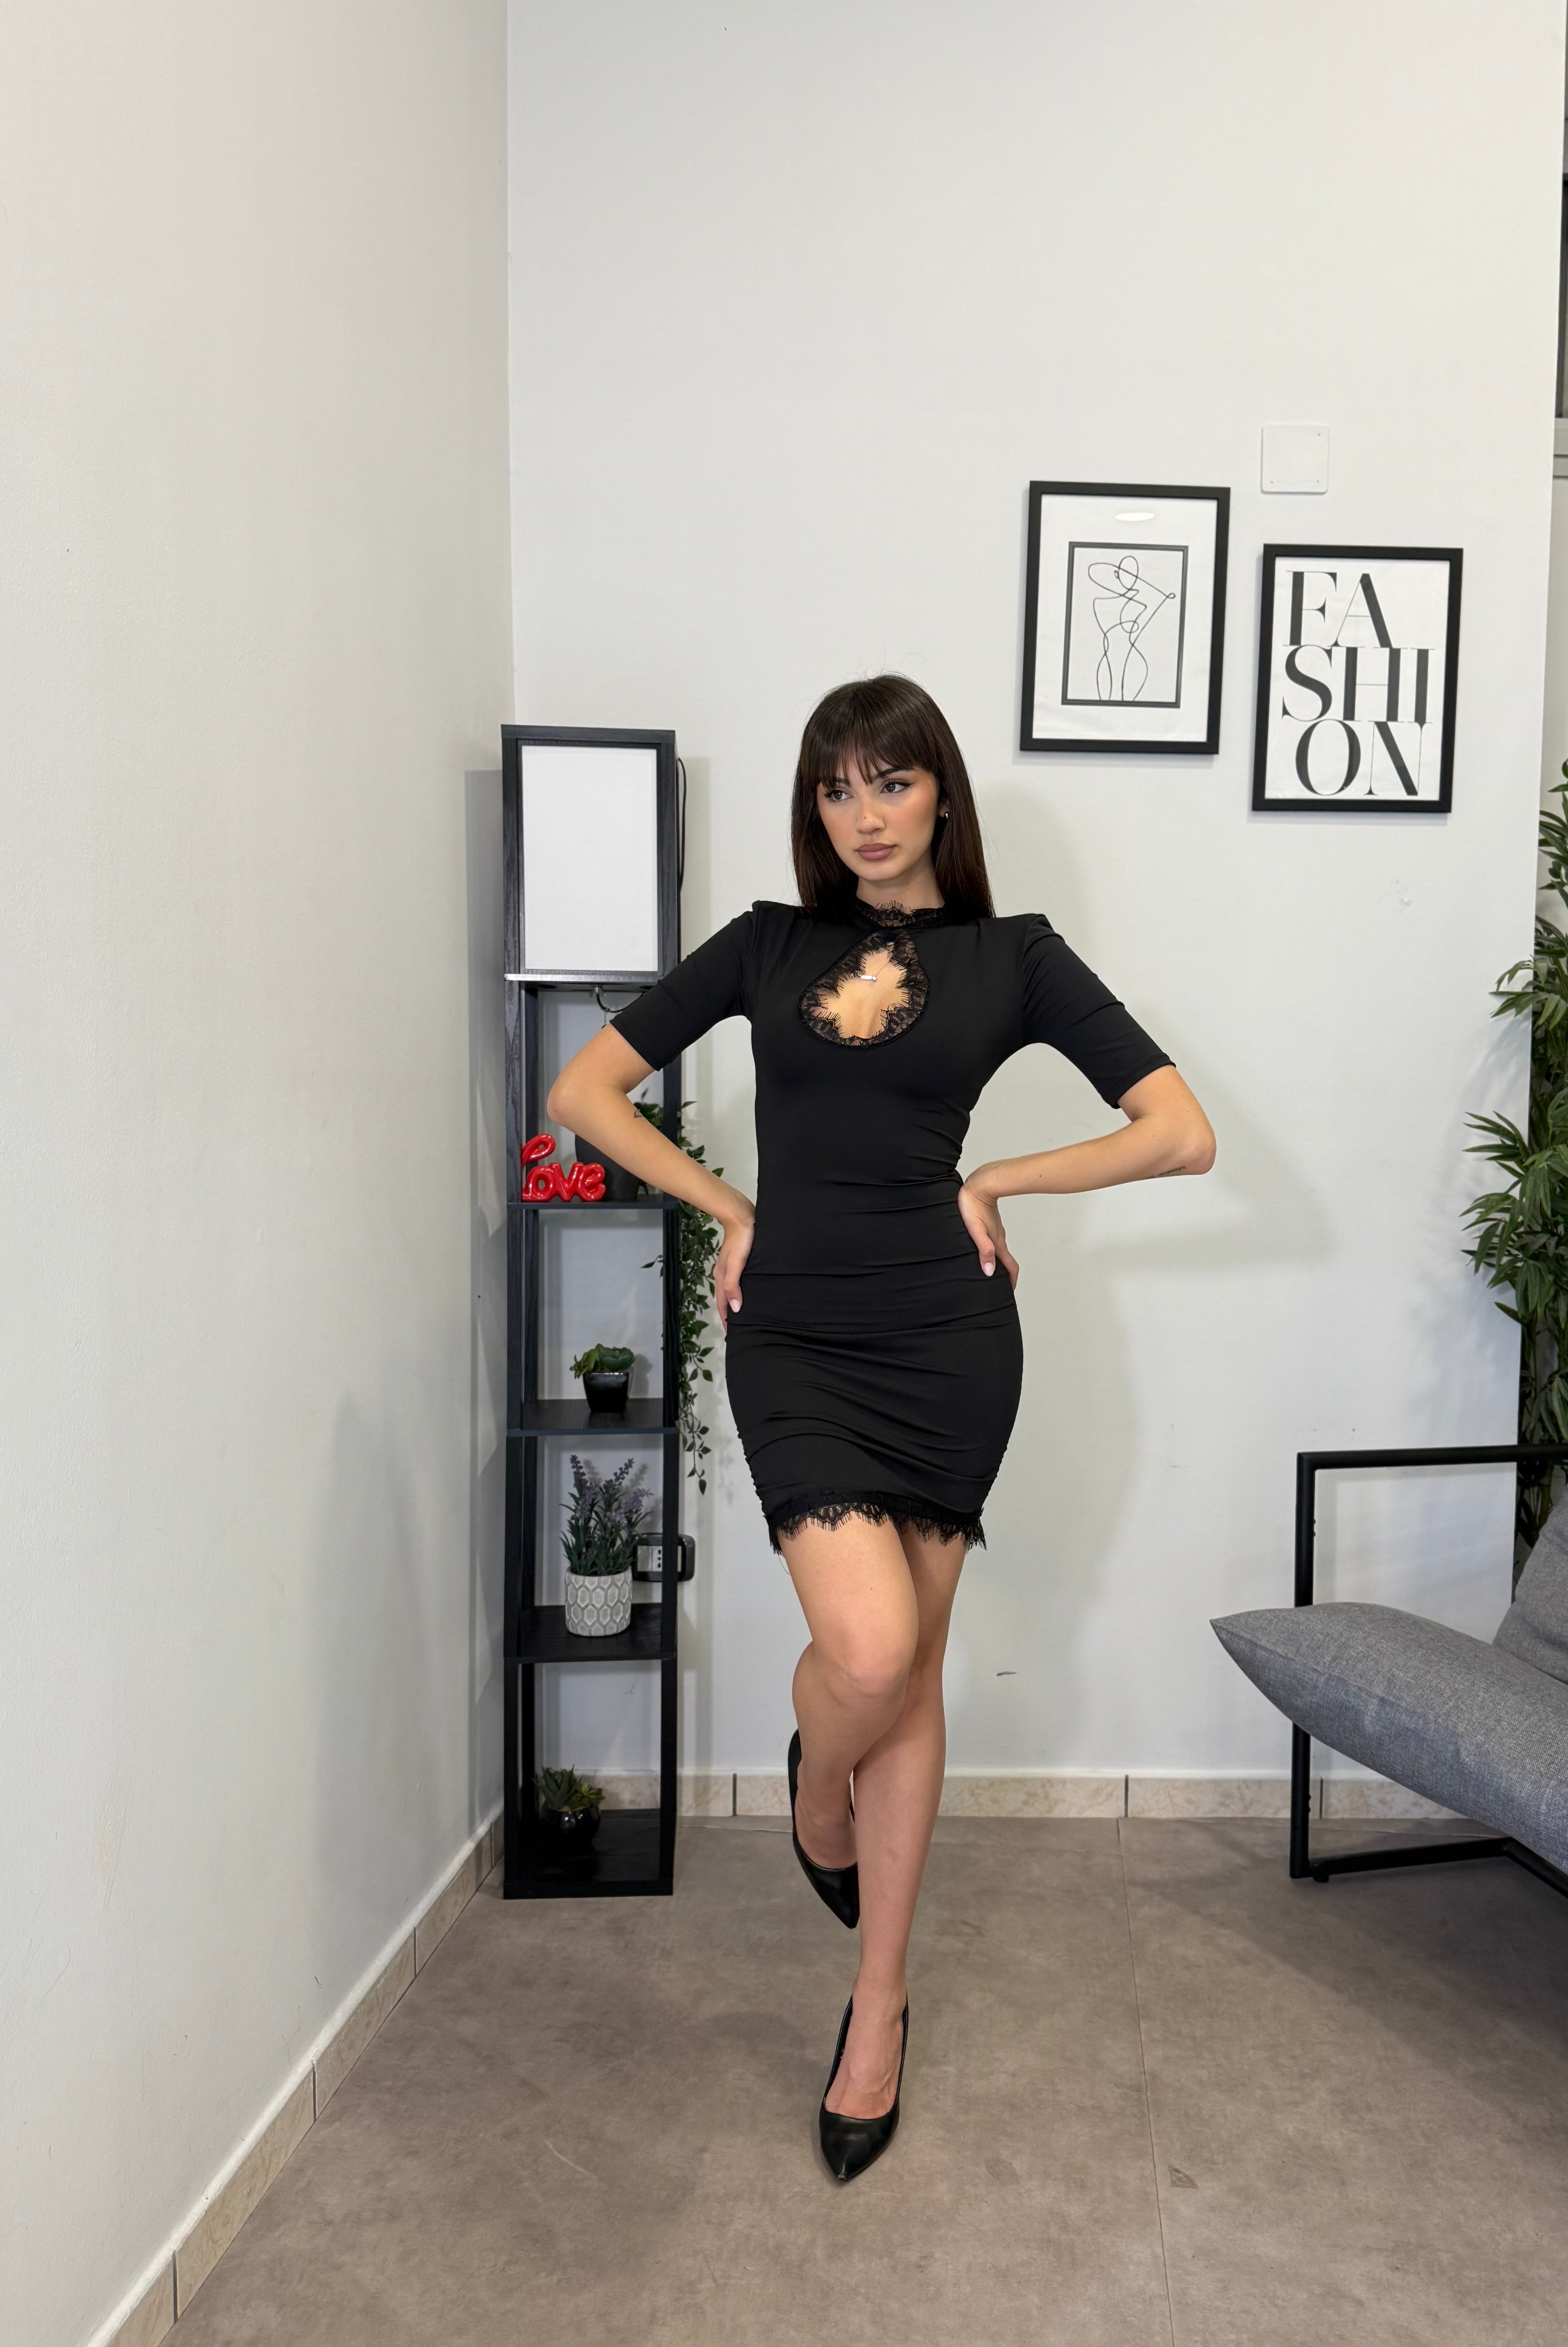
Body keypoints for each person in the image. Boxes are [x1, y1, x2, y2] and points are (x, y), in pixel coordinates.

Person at [547, 673, 1214, 2183]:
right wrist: (729, 1208)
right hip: (795, 1334)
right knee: (867, 1656)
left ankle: (878, 2005)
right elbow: (587, 1090)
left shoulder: (1012, 955)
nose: (863, 814)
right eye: (836, 787)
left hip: (945, 1343)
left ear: (940, 796)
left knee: (909, 1671)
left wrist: (998, 1182)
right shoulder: (767, 943)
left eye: (891, 781)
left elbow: (1180, 1131)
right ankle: (815, 1793)